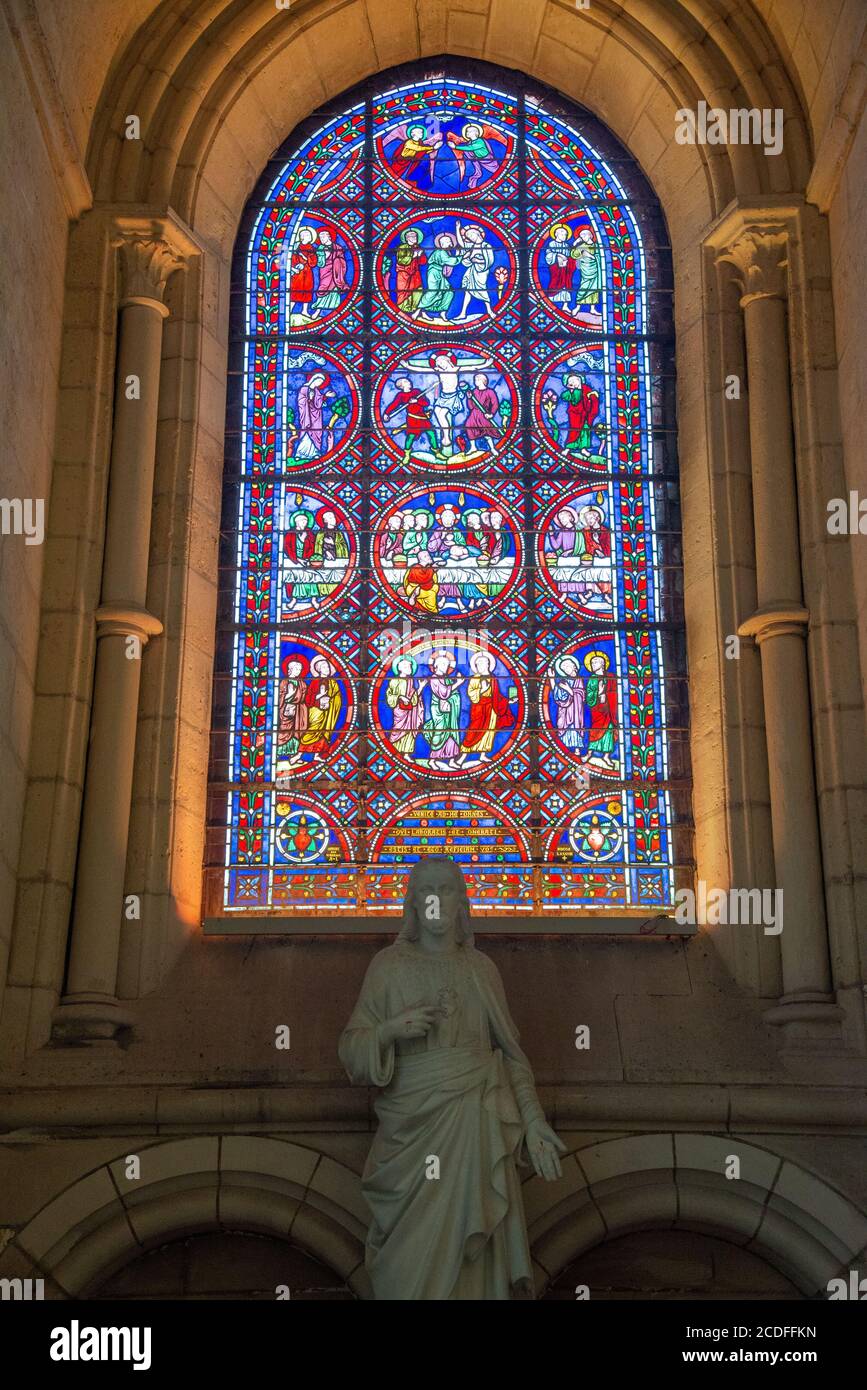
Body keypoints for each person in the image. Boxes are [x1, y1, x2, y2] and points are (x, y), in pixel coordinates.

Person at [339, 856, 565, 1300]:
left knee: (474, 1266)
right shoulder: (388, 967)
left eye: (446, 890)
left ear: (461, 902)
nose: (437, 901)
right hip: (411, 1136)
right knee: (405, 1277)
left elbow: (511, 1055)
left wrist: (534, 1121)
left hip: (475, 1127)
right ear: (413, 903)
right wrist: (388, 1031)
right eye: (427, 891)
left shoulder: (480, 969)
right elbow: (351, 1050)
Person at [461, 652, 514, 762]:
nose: (480, 666)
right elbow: (471, 694)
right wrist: (482, 690)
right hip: (479, 709)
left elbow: (497, 696)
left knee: (489, 732)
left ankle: (483, 755)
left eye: (482, 664)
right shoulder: (475, 679)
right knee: (473, 732)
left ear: (488, 665)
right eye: (478, 664)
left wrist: (508, 701)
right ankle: (462, 758)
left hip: (492, 709)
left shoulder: (493, 678)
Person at [382, 375, 438, 462]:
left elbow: (426, 403)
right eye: (405, 381)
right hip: (412, 419)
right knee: (411, 436)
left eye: (408, 381)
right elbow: (394, 405)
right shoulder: (401, 395)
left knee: (431, 433)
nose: (409, 382)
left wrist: (417, 401)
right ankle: (407, 455)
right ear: (401, 386)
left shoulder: (417, 392)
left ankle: (437, 452)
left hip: (423, 417)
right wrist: (386, 413)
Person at [299, 655, 341, 759]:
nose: (327, 669)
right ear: (318, 670)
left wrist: (330, 701)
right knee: (312, 731)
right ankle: (298, 754)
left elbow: (337, 697)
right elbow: (308, 698)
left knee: (323, 733)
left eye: (327, 667)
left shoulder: (333, 683)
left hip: (327, 711)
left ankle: (316, 755)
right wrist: (319, 697)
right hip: (316, 711)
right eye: (324, 667)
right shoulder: (315, 682)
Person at [582, 651, 618, 771]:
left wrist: (606, 694)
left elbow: (616, 692)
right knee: (595, 730)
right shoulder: (592, 679)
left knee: (609, 732)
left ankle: (606, 756)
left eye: (595, 662)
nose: (593, 664)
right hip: (597, 710)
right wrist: (599, 692)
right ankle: (589, 753)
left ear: (603, 664)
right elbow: (589, 696)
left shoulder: (611, 677)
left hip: (609, 709)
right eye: (591, 662)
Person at [417, 232, 461, 323]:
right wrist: (460, 257)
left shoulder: (445, 252)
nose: (451, 243)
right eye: (448, 241)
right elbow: (450, 261)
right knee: (433, 292)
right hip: (434, 273)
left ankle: (443, 312)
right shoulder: (440, 252)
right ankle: (420, 311)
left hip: (439, 273)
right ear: (442, 244)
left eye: (450, 241)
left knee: (448, 292)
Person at [385, 656, 422, 756]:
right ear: (400, 668)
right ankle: (395, 753)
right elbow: (390, 695)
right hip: (400, 712)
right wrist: (400, 697)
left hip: (410, 711)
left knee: (409, 732)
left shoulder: (410, 681)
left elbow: (413, 698)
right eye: (406, 666)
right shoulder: (394, 681)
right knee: (398, 730)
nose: (409, 668)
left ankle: (406, 754)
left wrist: (421, 688)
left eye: (410, 666)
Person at [550, 655, 585, 753]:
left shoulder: (579, 680)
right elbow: (557, 695)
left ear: (574, 666)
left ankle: (577, 750)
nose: (565, 669)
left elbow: (581, 695)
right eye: (563, 668)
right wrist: (552, 679)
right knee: (563, 728)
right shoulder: (563, 681)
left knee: (575, 728)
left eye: (567, 666)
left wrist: (569, 690)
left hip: (576, 711)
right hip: (564, 712)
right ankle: (564, 750)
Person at [312, 227, 348, 317]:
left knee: (334, 290)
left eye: (323, 237)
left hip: (336, 272)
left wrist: (337, 262)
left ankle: (335, 313)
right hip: (325, 271)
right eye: (320, 237)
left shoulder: (338, 247)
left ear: (329, 237)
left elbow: (342, 261)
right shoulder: (320, 248)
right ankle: (318, 311)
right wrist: (324, 255)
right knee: (323, 287)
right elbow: (320, 263)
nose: (321, 239)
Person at [289, 226, 318, 317]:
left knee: (307, 290)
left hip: (308, 272)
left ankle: (304, 310)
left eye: (309, 235)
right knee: (294, 290)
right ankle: (289, 309)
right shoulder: (296, 246)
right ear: (301, 237)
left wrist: (306, 258)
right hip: (298, 273)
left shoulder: (312, 248)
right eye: (305, 234)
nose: (308, 236)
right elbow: (292, 258)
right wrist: (294, 267)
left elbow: (313, 262)